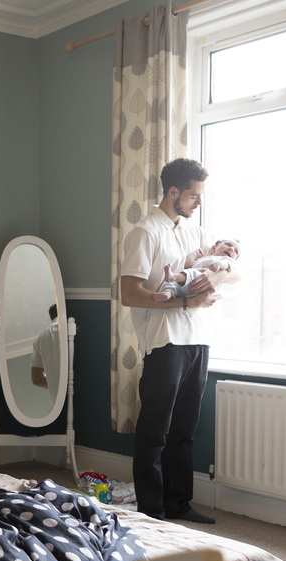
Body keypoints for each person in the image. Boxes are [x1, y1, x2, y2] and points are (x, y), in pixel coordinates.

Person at [119, 158, 239, 524]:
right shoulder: (144, 232)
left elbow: (231, 269)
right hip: (164, 342)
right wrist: (186, 300)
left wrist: (216, 276)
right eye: (193, 195)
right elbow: (129, 293)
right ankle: (151, 513)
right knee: (154, 432)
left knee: (184, 431)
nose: (198, 202)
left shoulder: (195, 232)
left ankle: (178, 503)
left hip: (197, 340)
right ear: (173, 192)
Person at [152, 239, 241, 302]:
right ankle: (168, 293)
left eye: (236, 251)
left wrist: (219, 264)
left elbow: (227, 264)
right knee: (174, 284)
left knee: (192, 273)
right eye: (228, 244)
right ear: (213, 248)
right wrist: (194, 255)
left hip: (204, 285)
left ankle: (173, 276)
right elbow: (188, 265)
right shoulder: (205, 258)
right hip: (187, 284)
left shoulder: (226, 260)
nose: (231, 249)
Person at [31, 304, 60, 389]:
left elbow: (36, 379)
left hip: (57, 398)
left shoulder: (40, 339)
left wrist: (57, 384)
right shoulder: (76, 327)